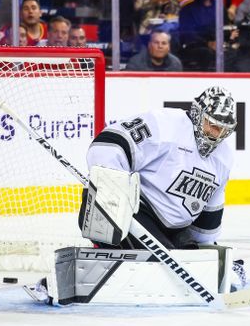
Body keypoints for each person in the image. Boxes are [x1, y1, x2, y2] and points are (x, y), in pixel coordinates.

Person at [83, 86, 237, 252]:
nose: (218, 135)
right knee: (165, 264)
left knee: (193, 262)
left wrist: (207, 250)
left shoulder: (224, 157)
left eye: (225, 131)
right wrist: (113, 198)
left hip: (175, 230)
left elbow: (210, 212)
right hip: (136, 214)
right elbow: (107, 145)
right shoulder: (165, 124)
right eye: (213, 126)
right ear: (198, 114)